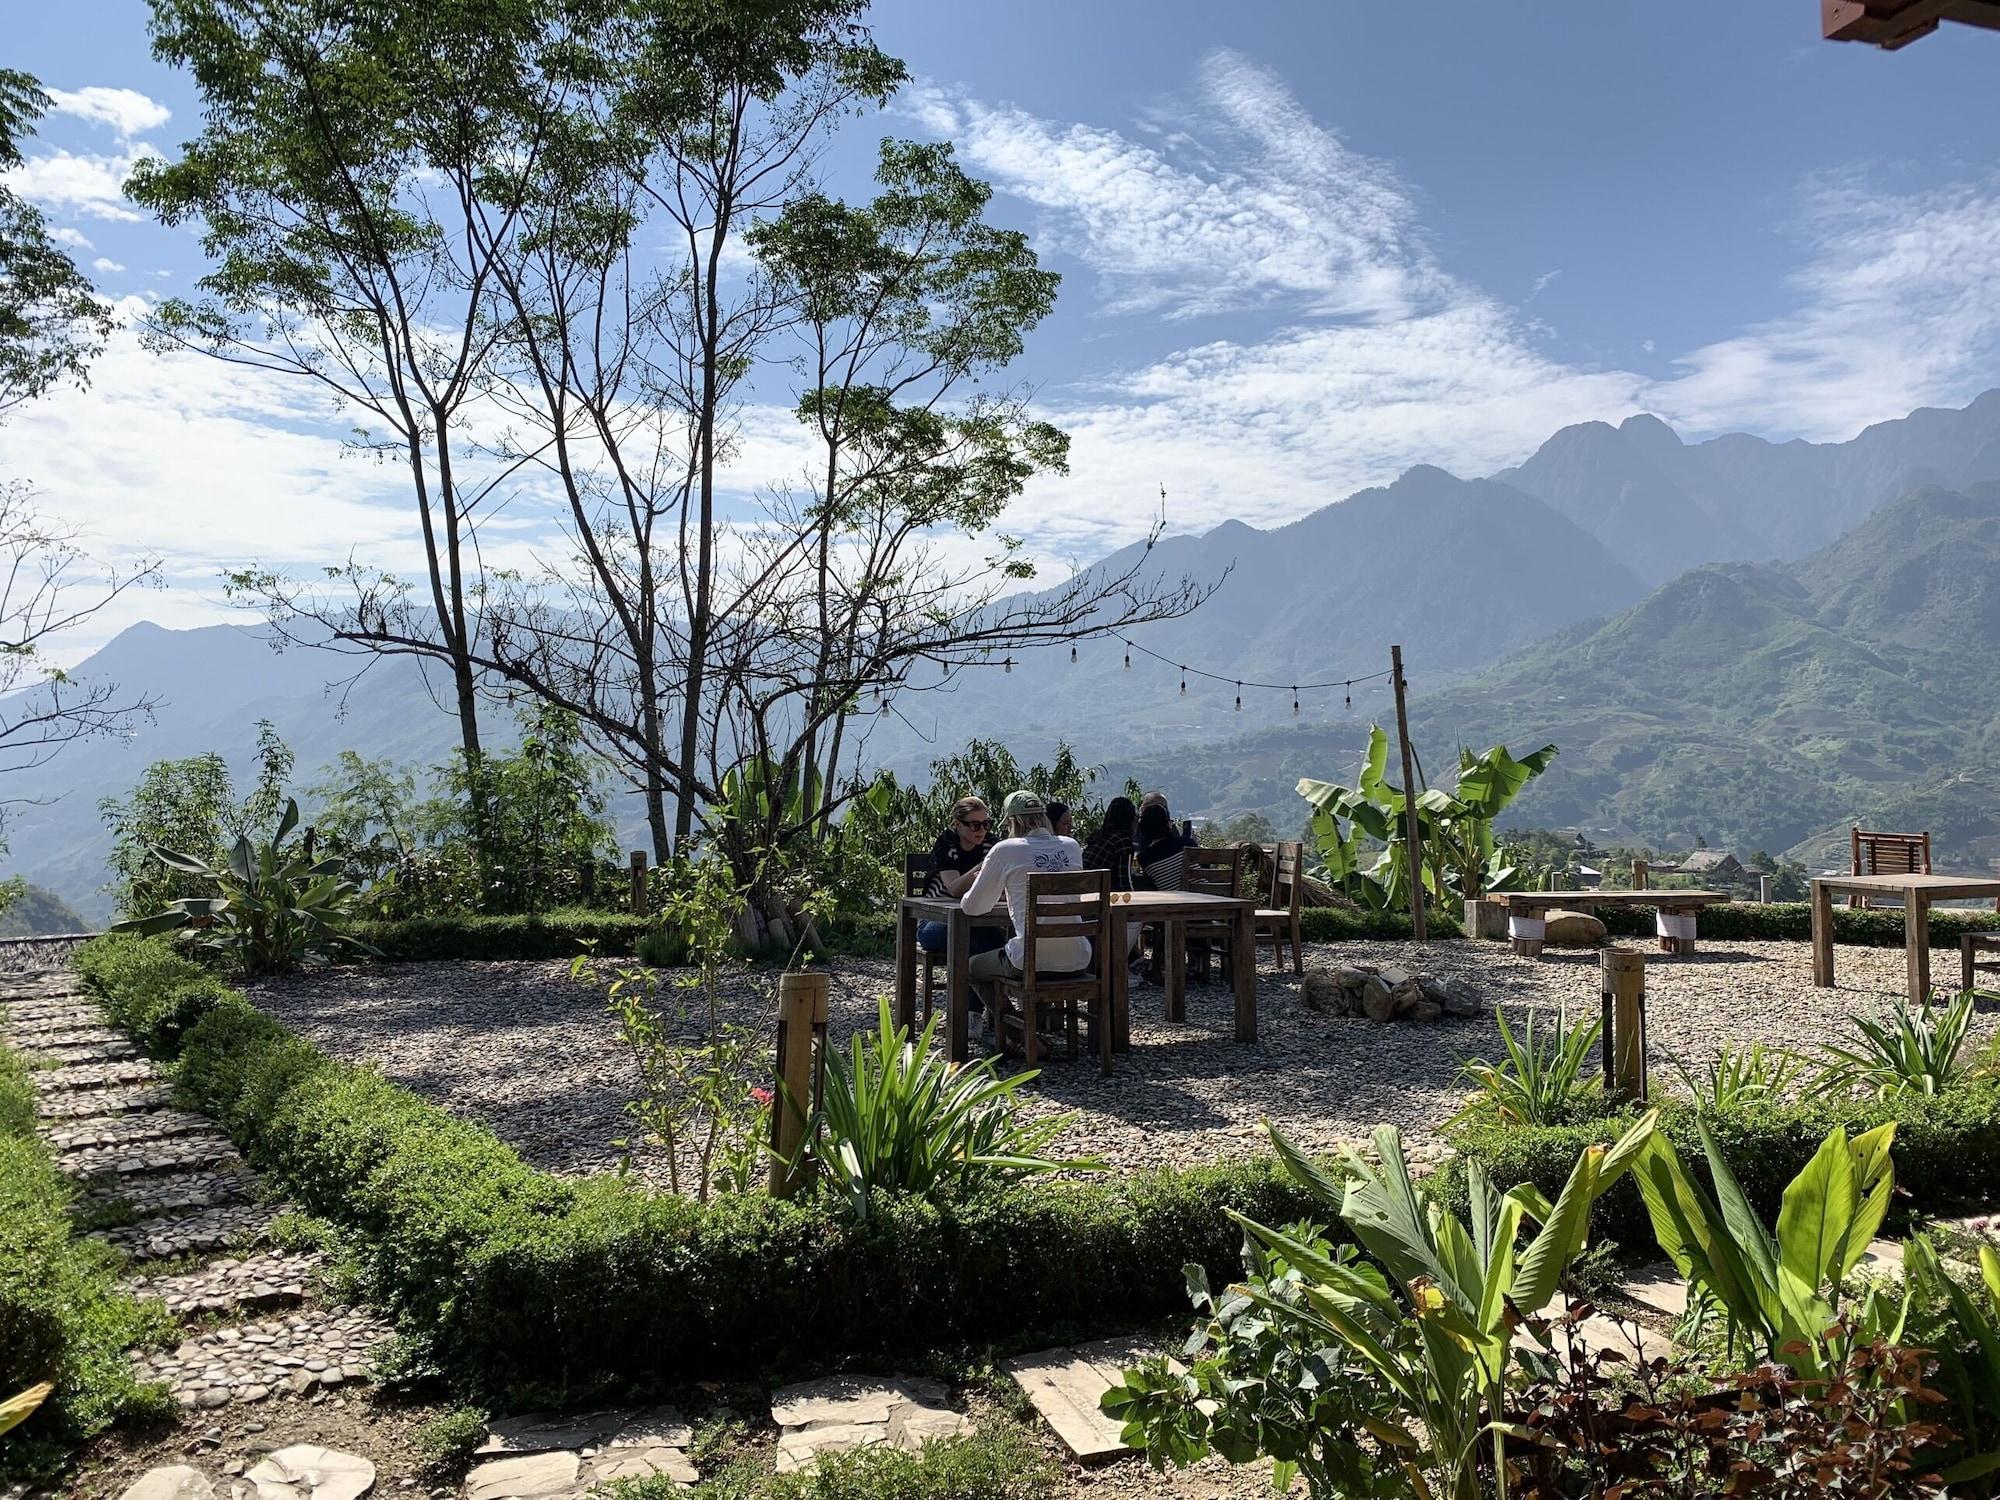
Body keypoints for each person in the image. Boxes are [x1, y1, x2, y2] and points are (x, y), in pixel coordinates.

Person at [960, 790, 1088, 1053]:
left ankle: (1019, 1032)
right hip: (1078, 956)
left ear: (1012, 822)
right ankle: (1034, 1028)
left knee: (971, 967)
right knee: (1034, 961)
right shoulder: (1071, 846)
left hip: (1029, 960)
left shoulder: (1006, 850)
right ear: (1043, 818)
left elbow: (973, 907)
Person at [916, 796, 1005, 964]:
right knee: (980, 941)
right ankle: (968, 989)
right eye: (974, 825)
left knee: (997, 940)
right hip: (936, 921)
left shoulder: (991, 843)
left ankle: (972, 988)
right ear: (957, 824)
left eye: (986, 824)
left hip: (977, 922)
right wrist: (985, 864)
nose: (981, 830)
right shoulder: (946, 844)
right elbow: (954, 889)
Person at [1136, 802, 1190, 891]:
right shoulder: (1185, 843)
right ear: (1168, 824)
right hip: (1207, 898)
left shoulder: (1144, 858)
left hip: (1173, 903)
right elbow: (1206, 868)